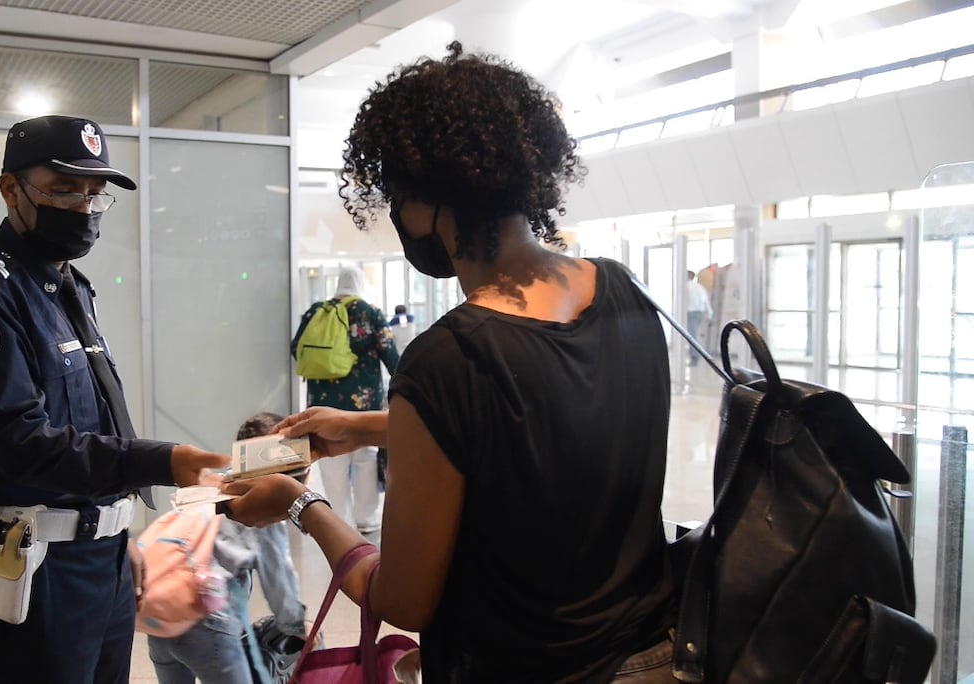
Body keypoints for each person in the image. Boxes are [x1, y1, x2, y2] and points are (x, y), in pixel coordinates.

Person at [222, 42, 676, 683]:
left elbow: (404, 599)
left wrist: (297, 503)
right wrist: (372, 425)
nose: (399, 219)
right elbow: (546, 421)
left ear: (434, 199)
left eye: (400, 198)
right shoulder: (624, 289)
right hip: (652, 656)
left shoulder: (449, 357)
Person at [0, 114, 229, 684]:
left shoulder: (70, 287)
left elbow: (93, 419)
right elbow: (17, 440)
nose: (83, 207)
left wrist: (117, 531)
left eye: (94, 193)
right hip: (28, 567)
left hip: (103, 561)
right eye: (63, 188)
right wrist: (161, 461)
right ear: (11, 189)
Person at [147, 412, 309, 684]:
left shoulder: (209, 488)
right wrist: (297, 626)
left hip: (161, 621)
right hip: (208, 625)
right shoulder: (262, 510)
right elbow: (277, 579)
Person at [291, 267, 399, 533]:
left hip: (322, 402)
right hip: (364, 404)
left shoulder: (317, 312)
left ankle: (338, 519)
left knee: (330, 460)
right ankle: (367, 518)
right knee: (365, 458)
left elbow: (297, 348)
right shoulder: (370, 313)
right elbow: (391, 355)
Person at [686, 270, 713, 366]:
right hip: (699, 312)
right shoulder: (700, 287)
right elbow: (706, 302)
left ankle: (695, 357)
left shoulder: (685, 286)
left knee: (692, 335)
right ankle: (696, 354)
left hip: (690, 312)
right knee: (694, 334)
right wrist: (710, 314)